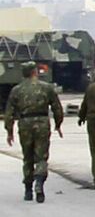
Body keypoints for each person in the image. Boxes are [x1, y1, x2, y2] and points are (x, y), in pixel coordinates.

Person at [4, 61, 64, 203]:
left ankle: (28, 190)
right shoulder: (47, 88)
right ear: (35, 72)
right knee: (41, 157)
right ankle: (39, 182)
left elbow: (9, 113)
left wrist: (9, 131)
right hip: (42, 122)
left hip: (25, 123)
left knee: (27, 157)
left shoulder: (17, 90)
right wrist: (58, 124)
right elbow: (57, 108)